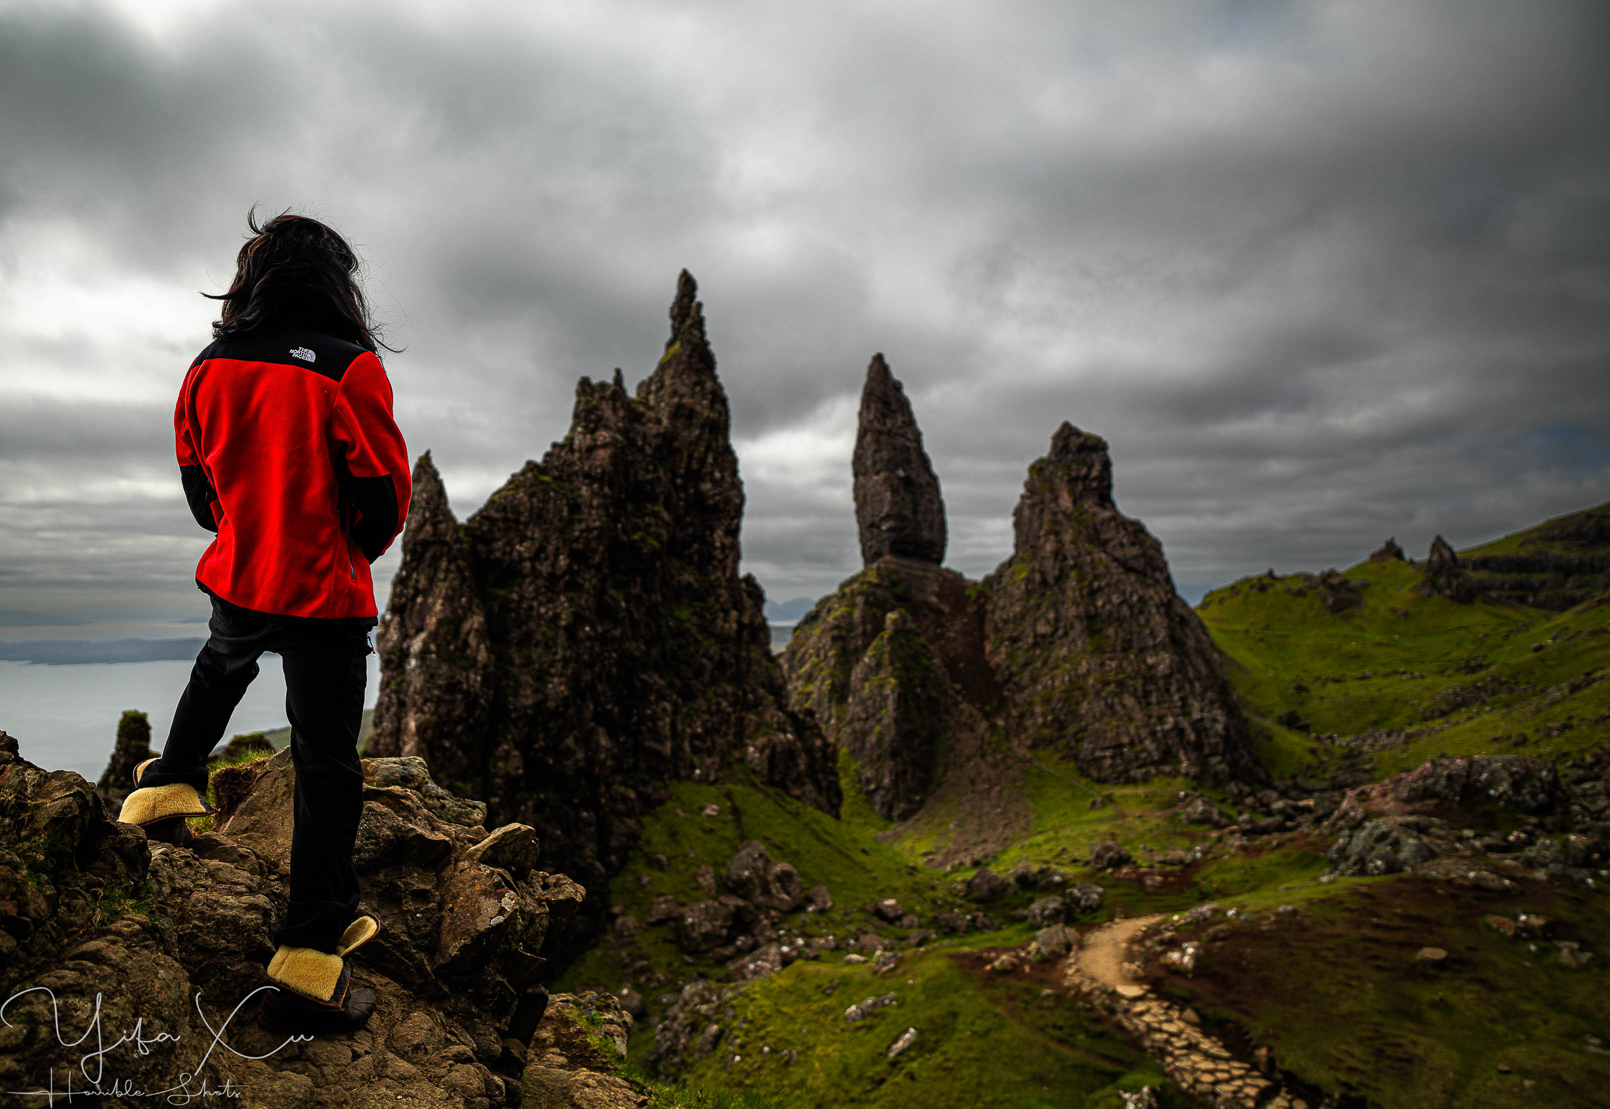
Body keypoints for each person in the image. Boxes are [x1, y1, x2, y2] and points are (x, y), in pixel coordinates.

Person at [117, 211, 412, 1035]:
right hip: (324, 590)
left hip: (241, 573)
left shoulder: (208, 366)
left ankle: (166, 789)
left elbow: (197, 480)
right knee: (325, 762)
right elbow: (385, 493)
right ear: (336, 283)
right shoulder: (349, 369)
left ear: (253, 280)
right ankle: (310, 951)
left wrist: (245, 531)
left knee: (219, 667)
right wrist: (344, 547)